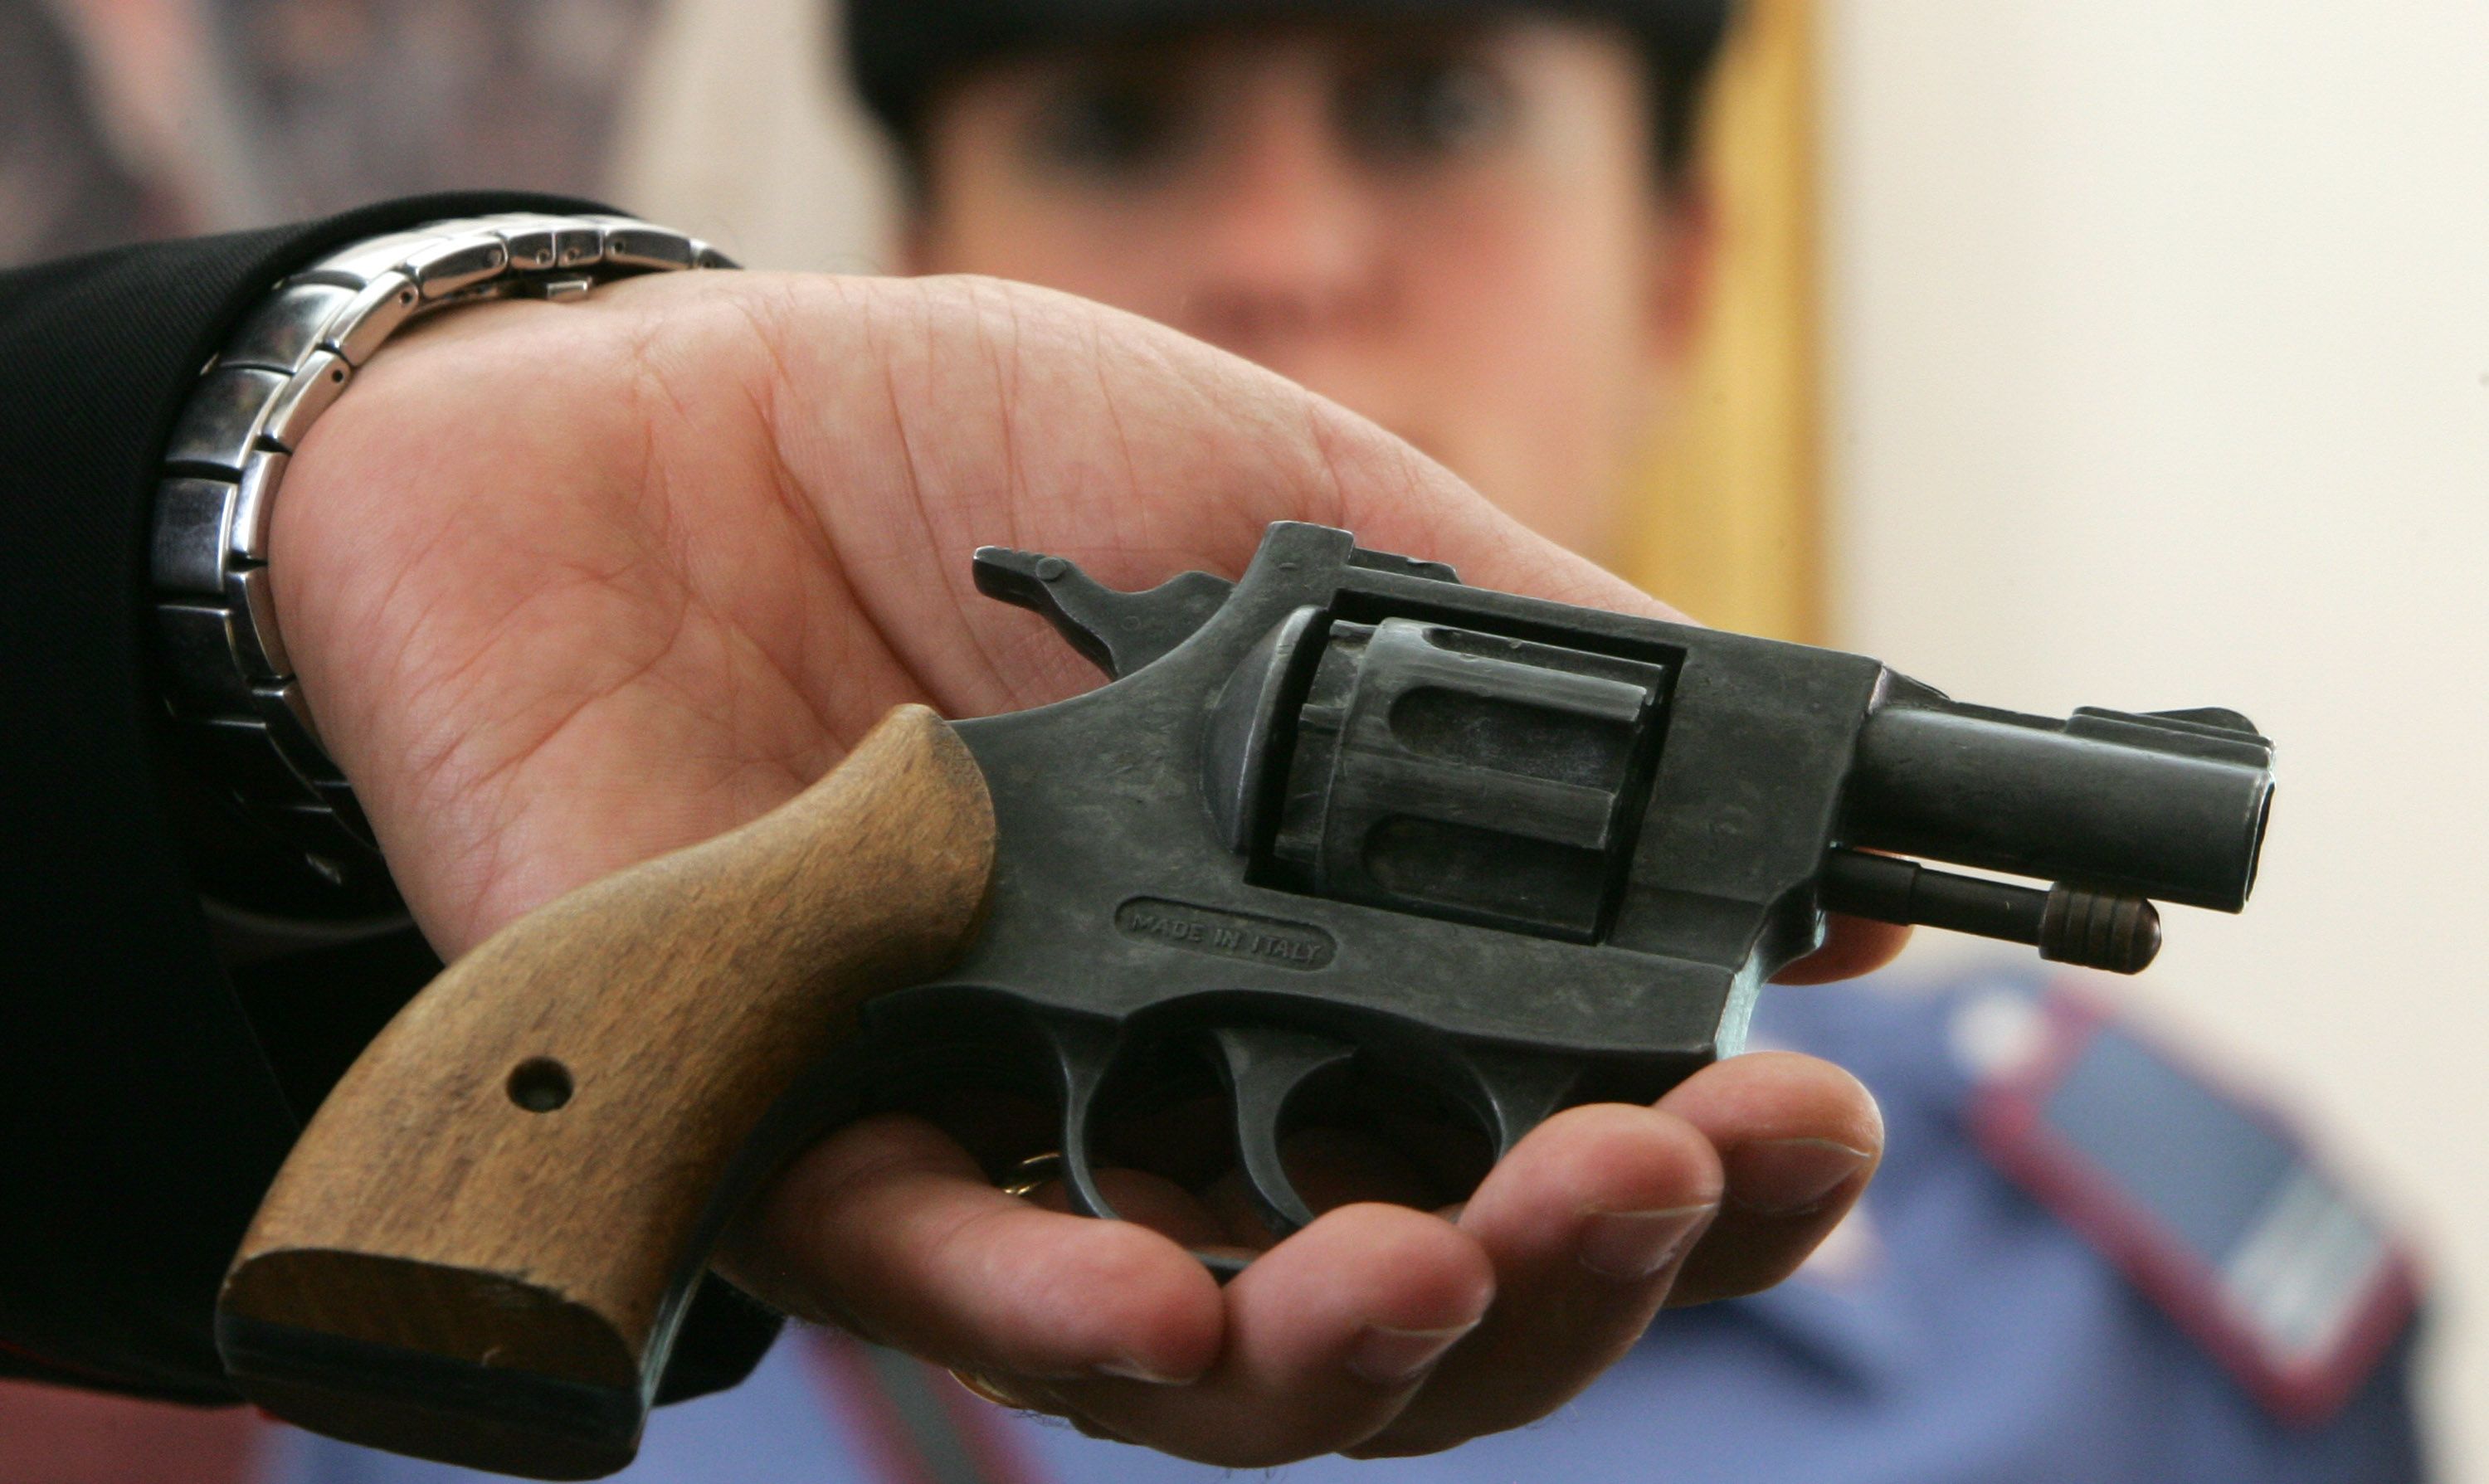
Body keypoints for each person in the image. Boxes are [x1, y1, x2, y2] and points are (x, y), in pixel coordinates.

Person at [0, 7, 2425, 1484]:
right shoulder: (456, 1216)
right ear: (916, 235)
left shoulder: (2145, 1326)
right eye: (1121, 122)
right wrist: (357, 521)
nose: (1286, 251)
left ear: (1689, 267)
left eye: (1435, 102)